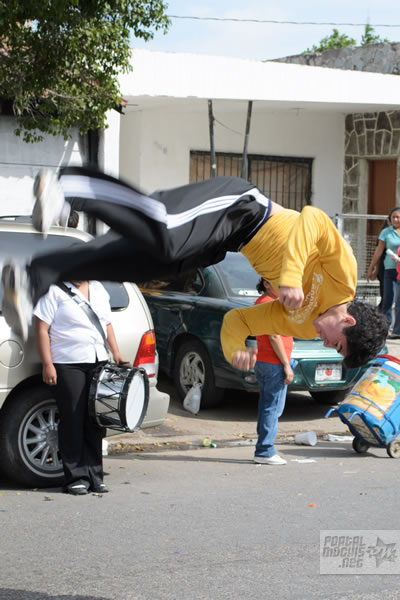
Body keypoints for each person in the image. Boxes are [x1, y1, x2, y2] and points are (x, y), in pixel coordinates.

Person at [1, 166, 388, 368]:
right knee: (166, 231)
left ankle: (38, 273)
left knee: (150, 264)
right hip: (243, 208)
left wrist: (236, 349)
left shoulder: (303, 326)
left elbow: (240, 321)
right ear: (348, 321)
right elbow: (314, 219)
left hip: (227, 242)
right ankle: (69, 187)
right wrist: (290, 276)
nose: (324, 344)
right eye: (335, 343)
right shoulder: (344, 276)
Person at [34, 279, 128, 495]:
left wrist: (116, 352)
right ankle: (76, 478)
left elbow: (106, 324)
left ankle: (95, 476)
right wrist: (47, 364)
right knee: (73, 418)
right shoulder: (54, 291)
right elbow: (41, 329)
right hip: (68, 362)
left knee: (95, 419)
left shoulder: (98, 289)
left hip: (98, 360)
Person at [253, 278, 294, 466]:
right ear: (267, 284)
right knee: (273, 408)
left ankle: (263, 447)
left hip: (265, 361)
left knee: (267, 406)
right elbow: (274, 336)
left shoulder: (263, 302)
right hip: (274, 363)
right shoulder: (269, 304)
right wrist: (286, 364)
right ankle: (265, 450)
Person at [367, 207, 400, 333]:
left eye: (398, 217)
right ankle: (385, 329)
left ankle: (397, 330)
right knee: (387, 300)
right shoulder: (386, 232)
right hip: (390, 270)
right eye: (393, 217)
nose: (396, 219)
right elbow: (378, 252)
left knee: (399, 302)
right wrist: (371, 268)